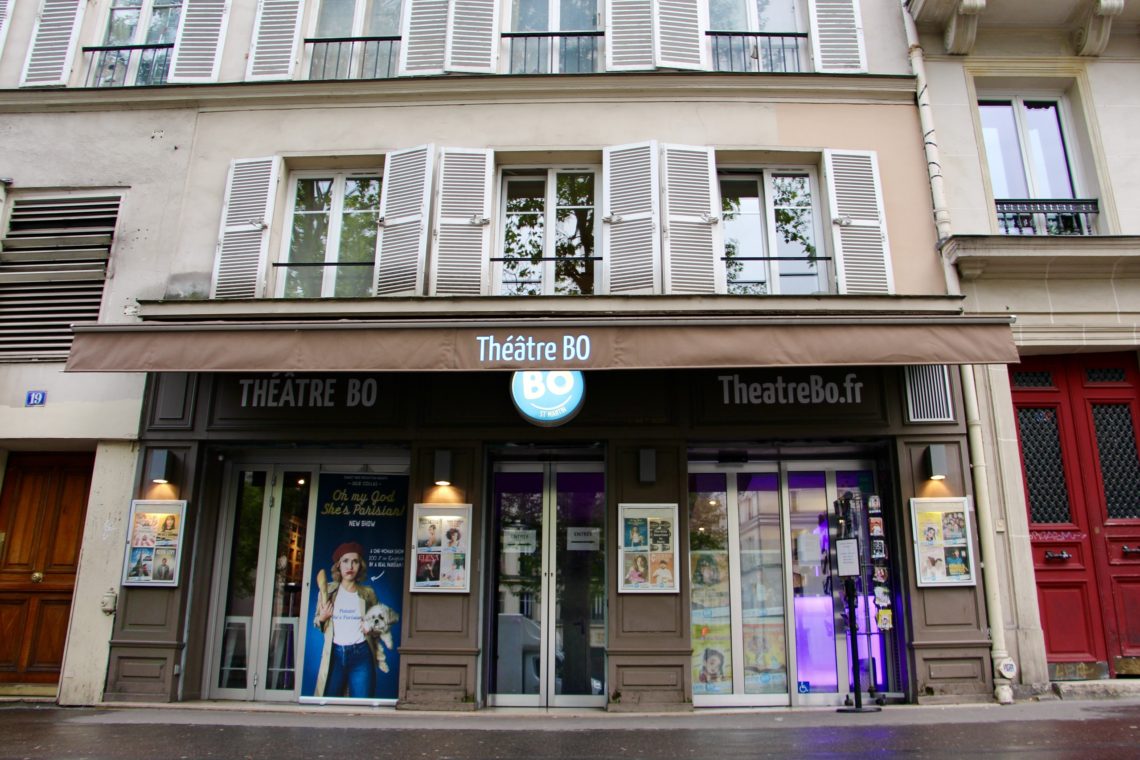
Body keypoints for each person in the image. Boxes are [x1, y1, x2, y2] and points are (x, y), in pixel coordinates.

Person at [314, 542, 378, 698]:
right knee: (328, 702)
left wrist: (372, 626)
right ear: (338, 566)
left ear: (360, 566)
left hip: (361, 654)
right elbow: (317, 622)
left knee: (361, 705)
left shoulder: (368, 593)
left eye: (355, 561)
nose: (350, 566)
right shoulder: (328, 591)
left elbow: (379, 622)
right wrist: (322, 617)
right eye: (345, 561)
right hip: (334, 654)